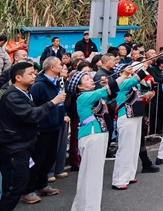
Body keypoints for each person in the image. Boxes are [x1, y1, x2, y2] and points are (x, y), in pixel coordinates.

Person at [0, 61, 66, 210]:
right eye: (30, 73)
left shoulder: (24, 93)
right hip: (13, 147)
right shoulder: (12, 96)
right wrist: (52, 103)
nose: (34, 75)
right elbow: (30, 115)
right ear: (18, 78)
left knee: (18, 184)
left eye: (34, 73)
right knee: (13, 188)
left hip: (22, 145)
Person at [70, 64, 135, 211]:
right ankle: (89, 207)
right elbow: (105, 91)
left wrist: (110, 86)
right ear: (79, 87)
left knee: (92, 173)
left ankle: (82, 206)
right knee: (92, 174)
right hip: (93, 135)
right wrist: (123, 76)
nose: (91, 79)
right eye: (87, 79)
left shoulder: (90, 95)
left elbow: (109, 96)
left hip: (98, 134)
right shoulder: (84, 97)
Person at [25, 57, 67, 203]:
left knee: (50, 158)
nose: (62, 66)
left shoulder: (57, 82)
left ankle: (42, 184)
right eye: (59, 64)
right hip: (42, 128)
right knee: (37, 159)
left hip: (55, 125)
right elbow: (32, 107)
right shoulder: (39, 85)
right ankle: (28, 189)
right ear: (52, 68)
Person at [111, 61, 154, 189]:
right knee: (125, 148)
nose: (130, 72)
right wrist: (142, 68)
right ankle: (119, 179)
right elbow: (136, 78)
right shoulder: (122, 83)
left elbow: (138, 91)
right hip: (127, 116)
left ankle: (129, 174)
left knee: (134, 147)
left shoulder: (134, 84)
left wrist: (145, 95)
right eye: (128, 70)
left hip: (136, 115)